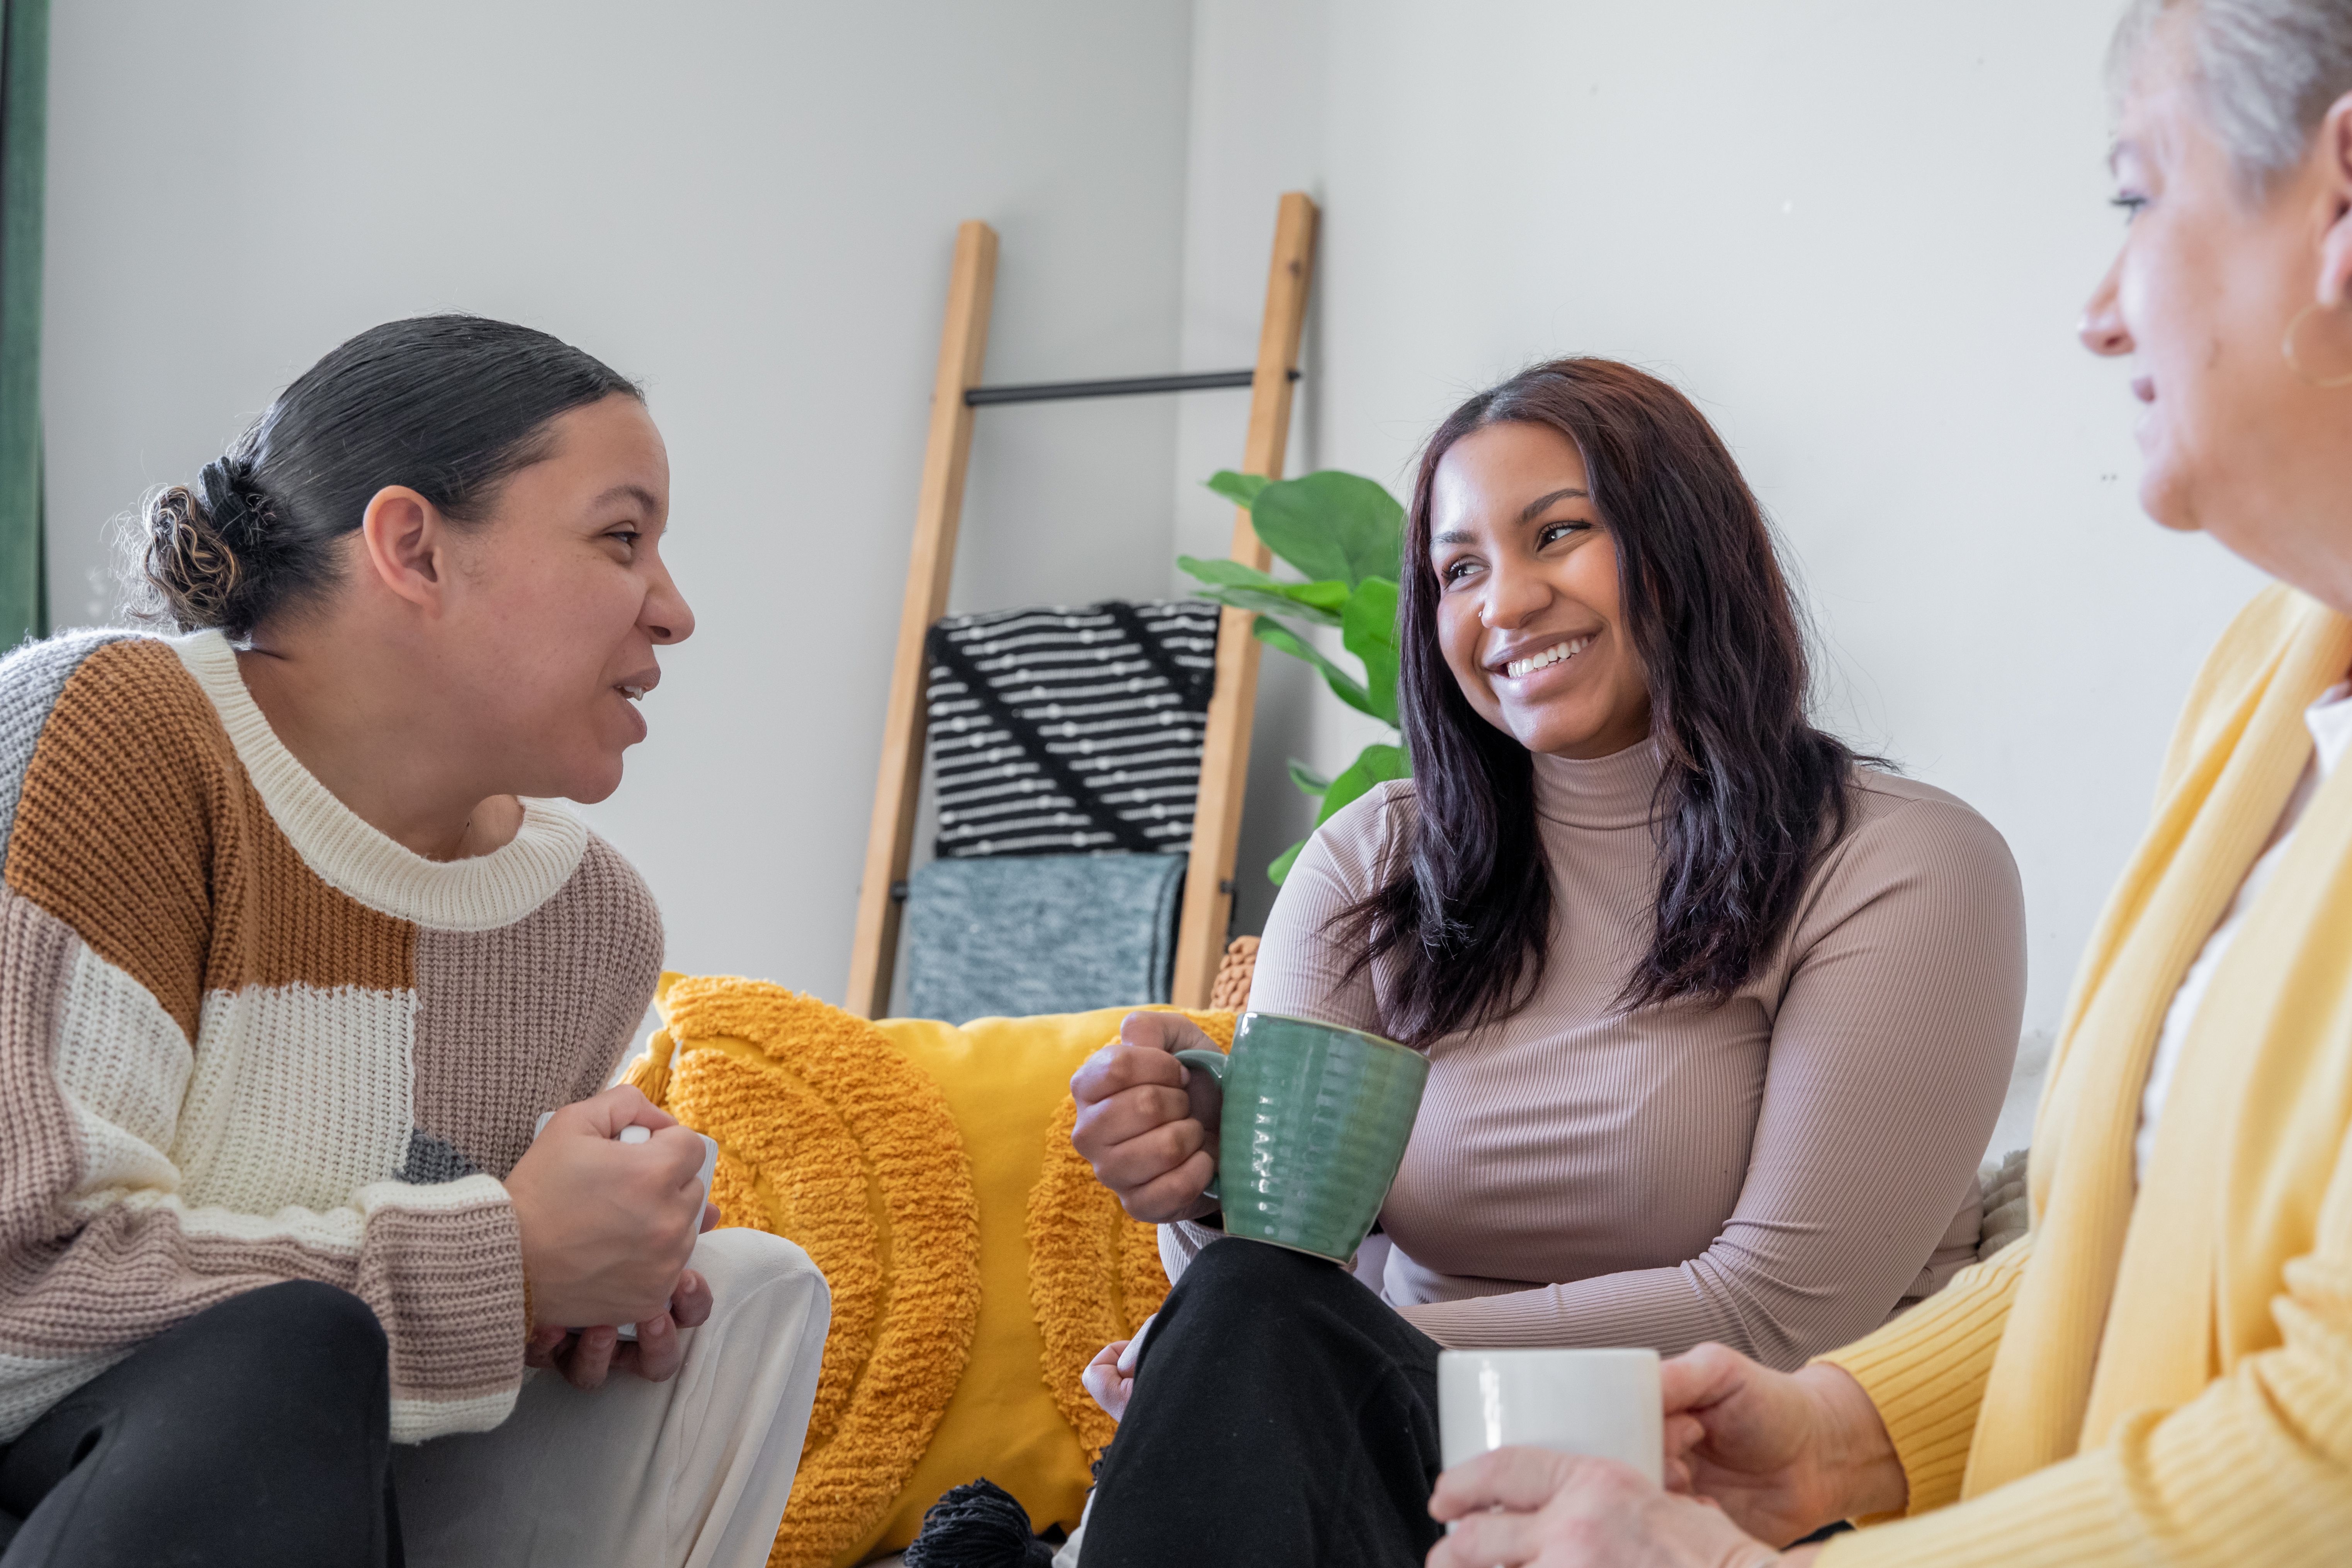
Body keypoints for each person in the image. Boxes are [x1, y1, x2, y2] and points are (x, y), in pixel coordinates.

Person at [1416, 2, 2352, 1565]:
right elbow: (2119, 1233)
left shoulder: (1901, 860)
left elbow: (2323, 1458)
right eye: (1454, 564)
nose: (2100, 312)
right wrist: (1852, 1427)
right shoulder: (2265, 679)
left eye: (2136, 196)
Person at [1067, 357, 2029, 1566]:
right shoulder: (1373, 864)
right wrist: (1210, 1185)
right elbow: (1282, 1262)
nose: (1502, 602)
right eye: (1459, 569)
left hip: (1707, 1487)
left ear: (1688, 548)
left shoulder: (1902, 864)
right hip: (1375, 1471)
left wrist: (1300, 1346)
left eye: (1558, 535)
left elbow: (1779, 1313)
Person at [0, 316, 829, 1568]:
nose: (675, 611)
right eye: (621, 537)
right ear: (413, 547)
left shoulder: (589, 921)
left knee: (753, 1287)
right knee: (295, 1346)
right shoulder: (118, 734)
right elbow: (19, 1299)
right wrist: (513, 1263)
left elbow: (443, 1312)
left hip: (309, 1514)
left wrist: (596, 1290)